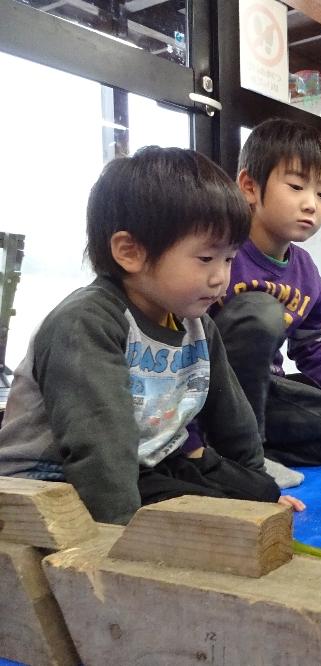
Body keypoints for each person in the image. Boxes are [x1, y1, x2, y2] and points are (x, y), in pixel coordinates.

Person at [0, 147, 289, 525]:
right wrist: (125, 546)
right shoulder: (87, 322)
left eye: (229, 259)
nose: (221, 276)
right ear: (130, 252)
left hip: (144, 463)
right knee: (208, 523)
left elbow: (232, 418)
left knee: (260, 494)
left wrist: (258, 489)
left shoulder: (196, 324)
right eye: (206, 259)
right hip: (57, 481)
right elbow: (98, 449)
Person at [210, 118, 321, 472]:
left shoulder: (304, 270)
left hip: (268, 396)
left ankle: (258, 451)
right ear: (249, 186)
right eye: (296, 186)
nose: (312, 204)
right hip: (211, 394)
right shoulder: (220, 251)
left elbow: (310, 347)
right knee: (261, 310)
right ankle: (240, 457)